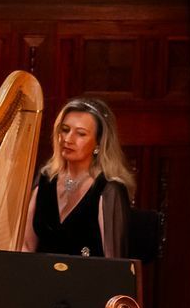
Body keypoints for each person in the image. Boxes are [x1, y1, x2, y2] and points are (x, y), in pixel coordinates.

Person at [22, 96, 135, 259]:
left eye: (81, 134)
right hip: (40, 280)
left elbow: (114, 265)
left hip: (88, 282)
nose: (68, 139)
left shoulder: (110, 189)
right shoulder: (45, 180)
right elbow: (26, 246)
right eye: (65, 129)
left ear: (99, 144)